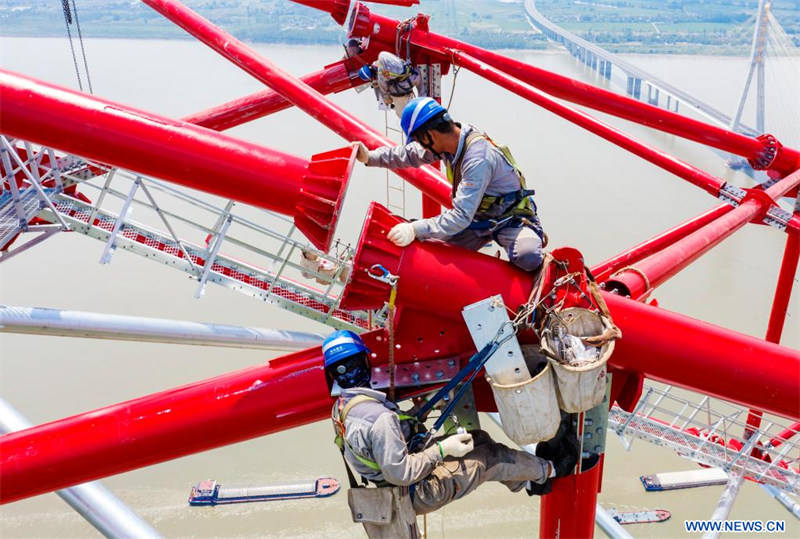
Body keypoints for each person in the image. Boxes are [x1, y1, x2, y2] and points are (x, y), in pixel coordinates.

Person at [323, 330, 579, 537]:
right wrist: (443, 450)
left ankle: (529, 480)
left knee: (478, 438)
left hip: (395, 482)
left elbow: (377, 442)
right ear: (367, 362)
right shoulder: (379, 418)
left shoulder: (345, 407)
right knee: (489, 458)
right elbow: (399, 473)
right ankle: (552, 469)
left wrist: (417, 411)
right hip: (415, 491)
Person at [352, 97, 547, 273]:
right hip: (477, 219)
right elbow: (408, 154)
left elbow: (461, 216)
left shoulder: (477, 159)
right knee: (428, 248)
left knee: (528, 256)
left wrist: (415, 228)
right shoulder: (449, 144)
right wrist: (369, 157)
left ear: (430, 135)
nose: (421, 146)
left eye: (421, 141)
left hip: (509, 218)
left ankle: (532, 242)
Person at [357, 51, 421, 117]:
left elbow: (384, 90)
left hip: (408, 82)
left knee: (401, 114)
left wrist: (387, 100)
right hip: (413, 73)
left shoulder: (380, 74)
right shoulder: (381, 60)